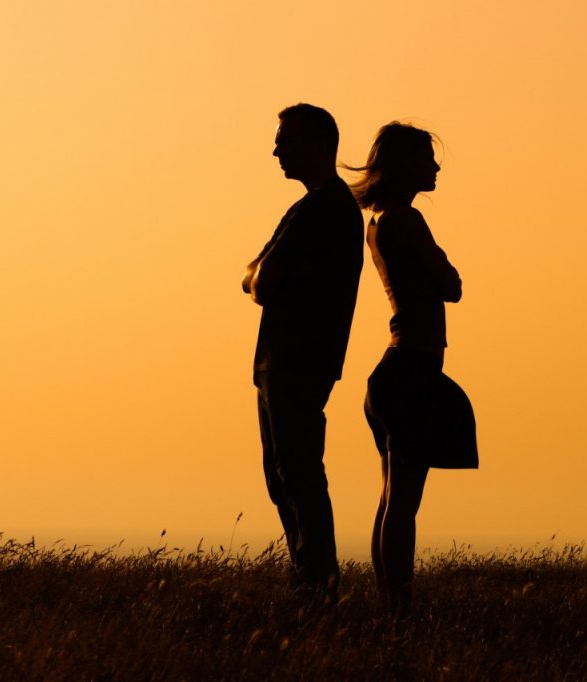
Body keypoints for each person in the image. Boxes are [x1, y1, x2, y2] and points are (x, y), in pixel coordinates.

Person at [348, 122, 478, 617]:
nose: (436, 167)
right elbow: (451, 284)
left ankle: (390, 606)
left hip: (396, 370)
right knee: (403, 500)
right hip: (411, 370)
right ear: (405, 165)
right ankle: (398, 610)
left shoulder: (379, 220)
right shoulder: (405, 219)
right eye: (428, 158)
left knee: (392, 496)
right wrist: (443, 266)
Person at [242, 104, 364, 599]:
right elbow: (254, 274)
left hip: (296, 360)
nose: (276, 150)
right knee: (284, 475)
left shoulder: (322, 208)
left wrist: (263, 276)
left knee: (297, 475)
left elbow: (259, 278)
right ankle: (309, 580)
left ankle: (317, 585)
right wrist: (261, 275)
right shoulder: (316, 207)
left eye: (285, 140)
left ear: (317, 144)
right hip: (289, 360)